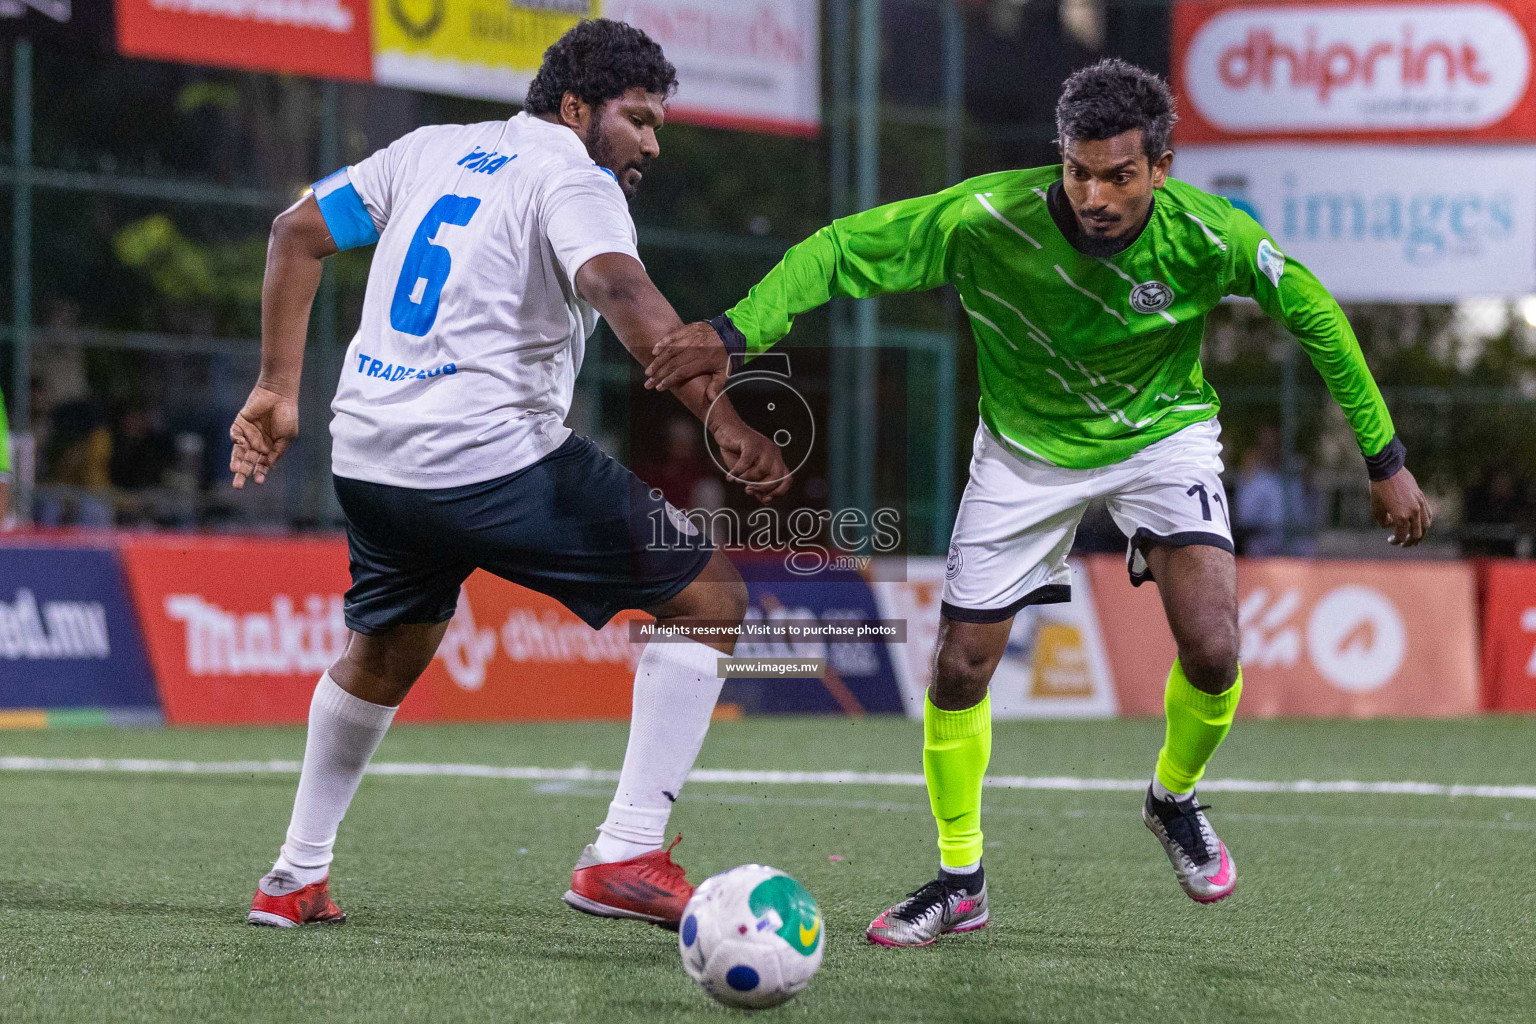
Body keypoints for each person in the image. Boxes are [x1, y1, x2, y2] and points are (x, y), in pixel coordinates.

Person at [645, 58, 1433, 945]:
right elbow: (837, 250)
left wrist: (1385, 457)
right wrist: (733, 329)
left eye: (1119, 175)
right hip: (1022, 457)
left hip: (1159, 440)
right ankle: (960, 880)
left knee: (1213, 647)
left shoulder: (1209, 235)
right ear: (1059, 156)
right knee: (957, 669)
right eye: (1078, 170)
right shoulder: (986, 218)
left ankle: (1173, 800)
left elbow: (1317, 314)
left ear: (1161, 169)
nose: (1094, 195)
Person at [230, 19, 791, 930]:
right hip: (488, 458)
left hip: (370, 455)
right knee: (711, 600)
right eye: (638, 119)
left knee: (387, 651)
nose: (650, 141)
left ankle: (294, 876)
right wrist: (721, 414)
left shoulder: (431, 149)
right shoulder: (576, 175)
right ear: (577, 108)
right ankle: (626, 854)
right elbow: (619, 288)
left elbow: (295, 232)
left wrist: (276, 389)